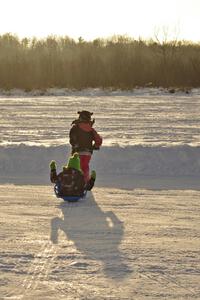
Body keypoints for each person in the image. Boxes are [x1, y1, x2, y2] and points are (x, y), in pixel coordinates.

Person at [69, 111, 102, 183]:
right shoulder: (91, 130)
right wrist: (95, 146)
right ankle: (85, 181)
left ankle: (74, 182)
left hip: (76, 152)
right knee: (85, 167)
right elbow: (98, 140)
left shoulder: (75, 128)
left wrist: (75, 145)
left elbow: (72, 139)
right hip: (88, 152)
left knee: (75, 166)